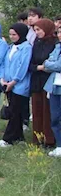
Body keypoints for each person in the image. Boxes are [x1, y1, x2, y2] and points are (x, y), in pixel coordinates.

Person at [0, 24, 32, 147]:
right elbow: (4, 64)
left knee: (15, 111)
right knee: (15, 110)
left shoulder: (26, 48)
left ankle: (8, 139)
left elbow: (23, 66)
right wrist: (2, 78)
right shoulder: (11, 47)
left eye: (14, 35)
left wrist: (14, 81)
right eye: (10, 34)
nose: (11, 37)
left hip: (20, 85)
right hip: (7, 82)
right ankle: (18, 136)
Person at [28, 19, 57, 148]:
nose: (37, 33)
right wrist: (39, 67)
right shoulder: (37, 43)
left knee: (48, 111)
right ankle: (37, 138)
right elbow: (31, 63)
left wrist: (44, 66)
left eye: (39, 30)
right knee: (37, 110)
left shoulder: (54, 44)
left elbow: (52, 63)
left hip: (48, 81)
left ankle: (49, 139)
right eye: (35, 30)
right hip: (36, 80)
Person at [40, 28, 61, 157]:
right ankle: (59, 145)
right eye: (59, 32)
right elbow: (46, 64)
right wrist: (49, 64)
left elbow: (57, 65)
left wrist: (49, 64)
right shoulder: (57, 47)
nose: (60, 35)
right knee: (55, 117)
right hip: (54, 86)